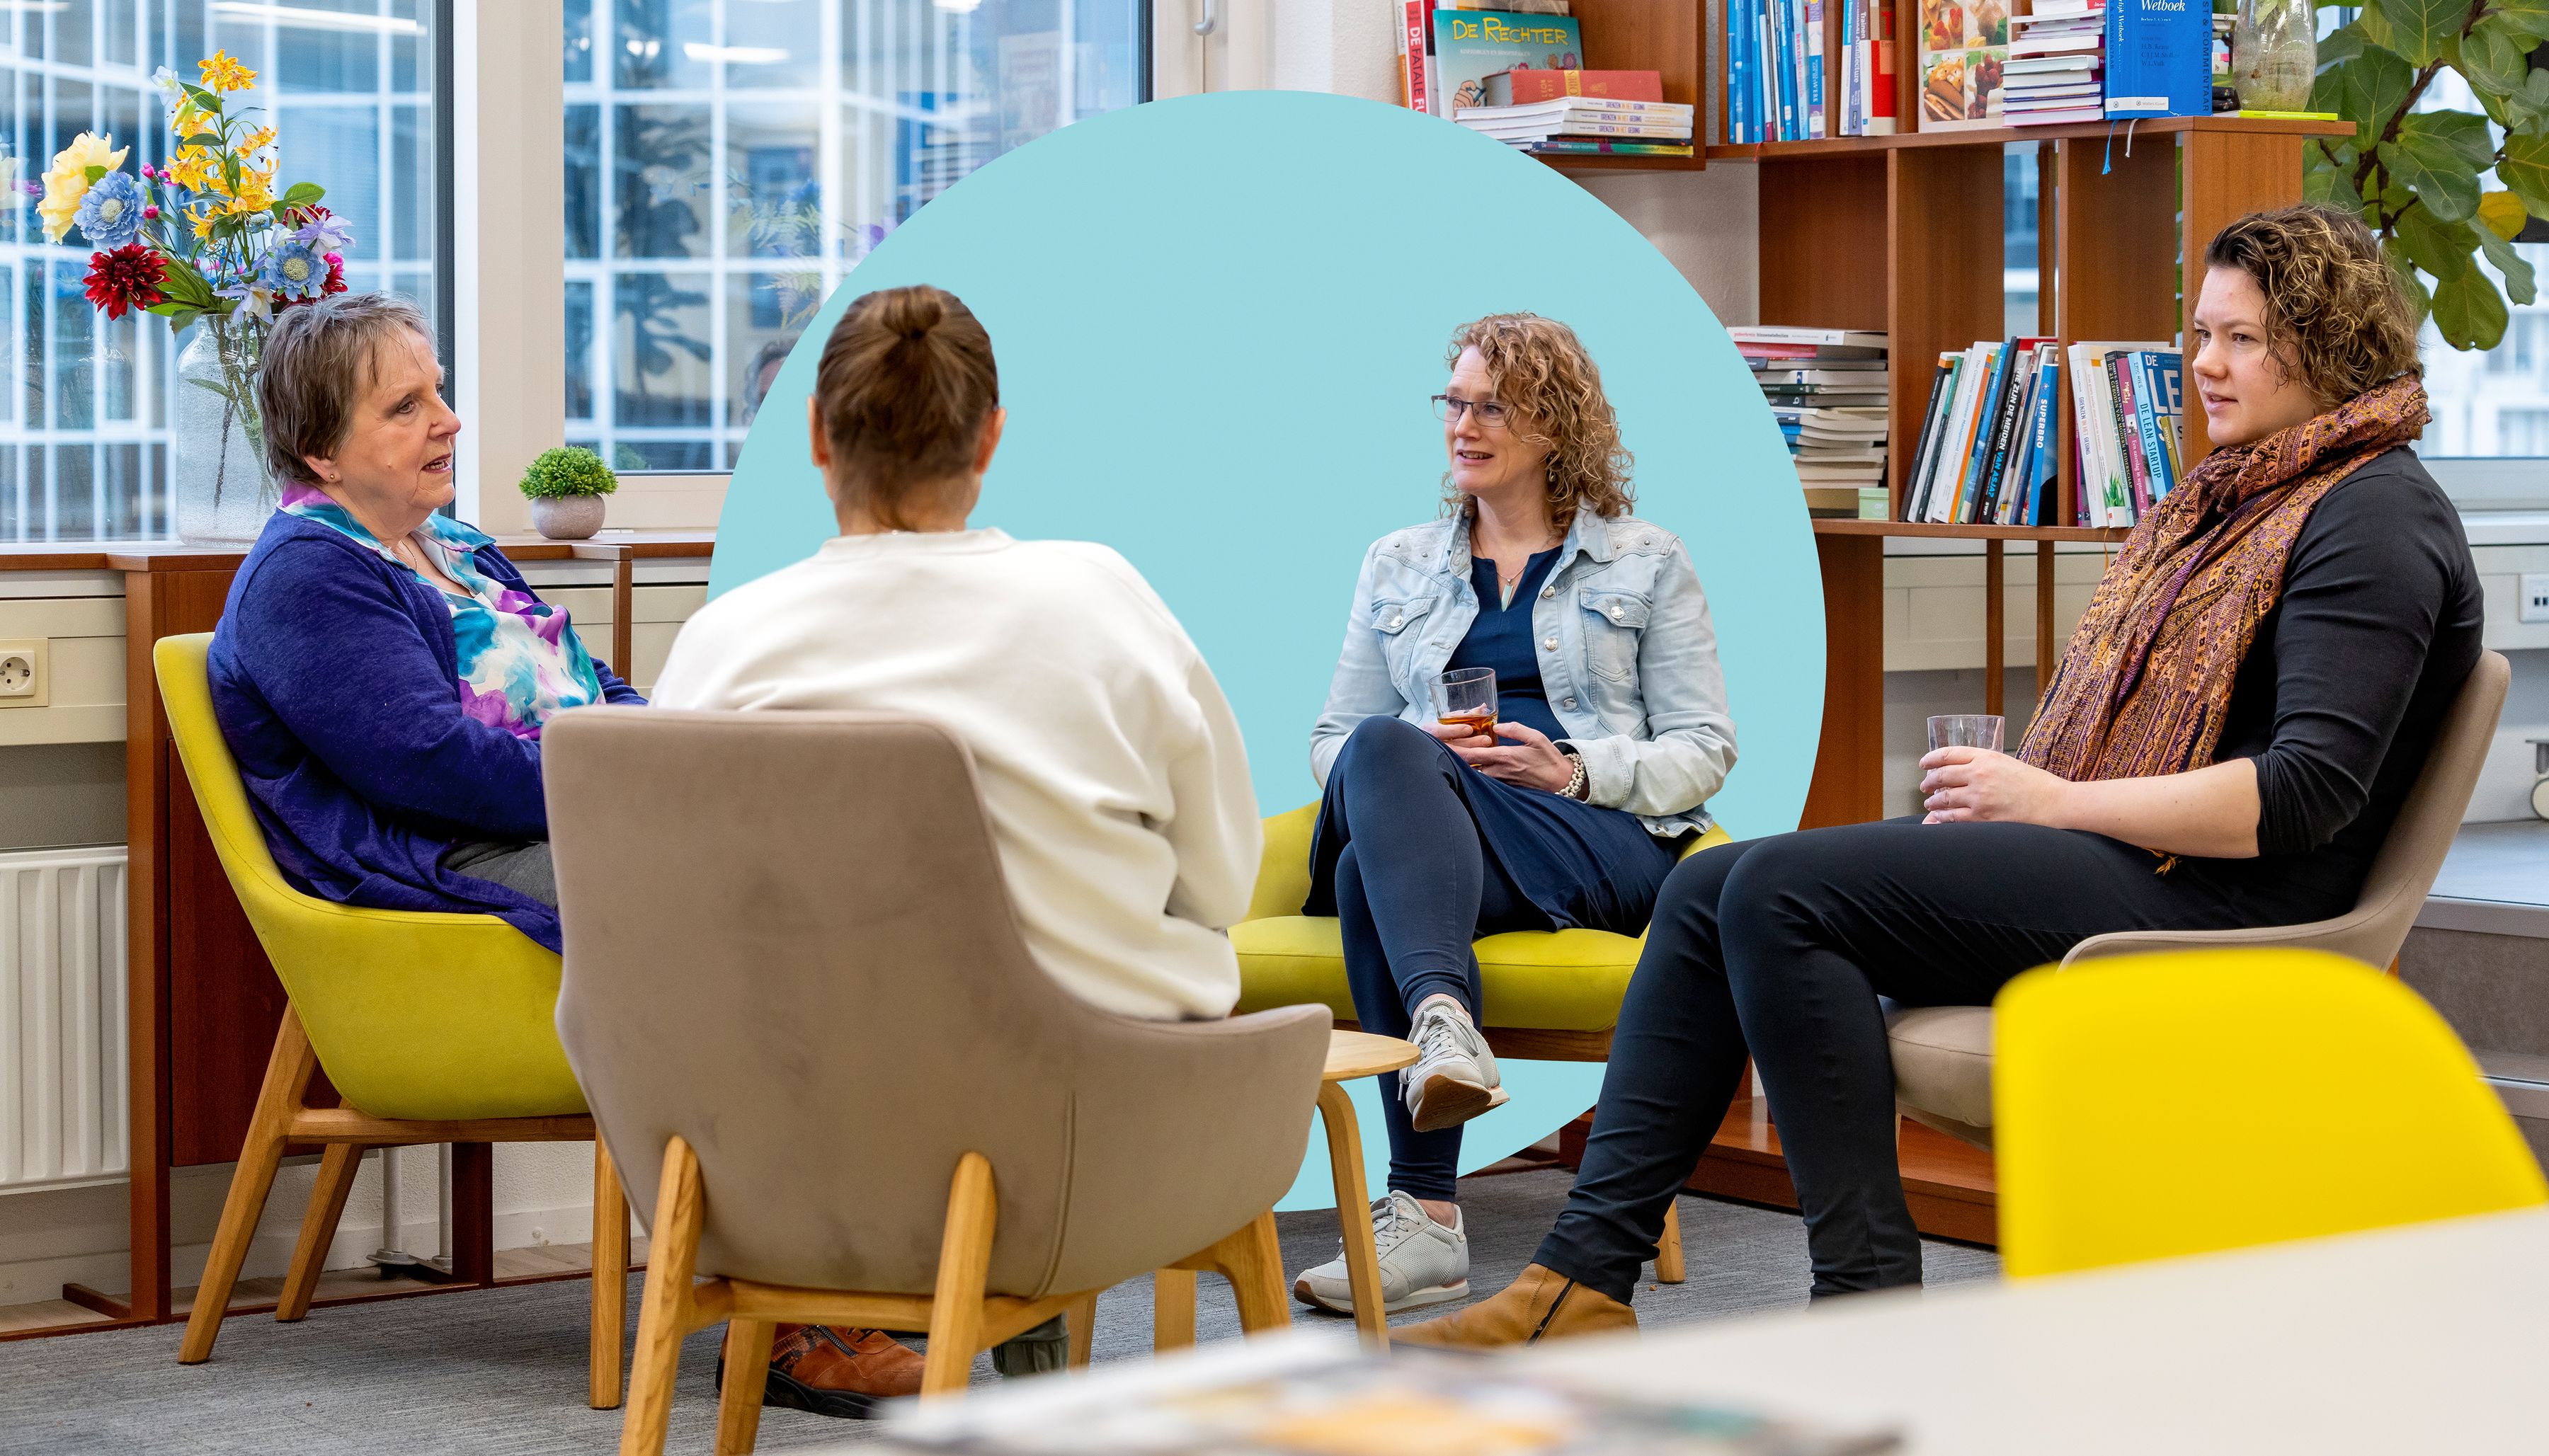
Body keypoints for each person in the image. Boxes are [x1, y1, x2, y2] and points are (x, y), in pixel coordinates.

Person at [1402, 203, 2482, 1346]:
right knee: (1715, 884)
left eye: (2244, 338)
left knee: (1775, 893)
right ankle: (1581, 1279)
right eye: (2203, 333)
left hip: (2234, 900)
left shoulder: (2373, 517)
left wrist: (2052, 802)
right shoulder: (2243, 497)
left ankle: (1860, 1300)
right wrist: (2043, 801)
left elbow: (2304, 794)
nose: (2205, 365)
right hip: (2148, 858)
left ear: (2329, 342)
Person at [649, 283, 1260, 1413]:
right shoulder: (1101, 598)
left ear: (817, 436)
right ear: (989, 436)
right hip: (1072, 1154)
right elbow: (1222, 880)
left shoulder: (724, 643)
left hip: (784, 1164)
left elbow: (675, 932)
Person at [1289, 313, 1736, 1318]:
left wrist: (1570, 767)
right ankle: (1444, 1028)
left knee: (1371, 867)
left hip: (1592, 832)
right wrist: (1423, 759)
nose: (1465, 425)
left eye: (1493, 406)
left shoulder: (1646, 560)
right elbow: (1333, 741)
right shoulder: (1398, 562)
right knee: (1382, 759)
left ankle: (1424, 1210)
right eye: (1454, 403)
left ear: (1555, 424)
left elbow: (1704, 747)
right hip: (1442, 830)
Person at [209, 292, 641, 956]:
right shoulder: (305, 576)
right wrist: (624, 783)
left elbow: (581, 673)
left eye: (436, 391)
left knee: (774, 839)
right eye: (405, 407)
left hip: (563, 812)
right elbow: (432, 765)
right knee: (731, 877)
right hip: (457, 854)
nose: (450, 421)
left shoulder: (450, 542)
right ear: (320, 450)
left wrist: (661, 750)